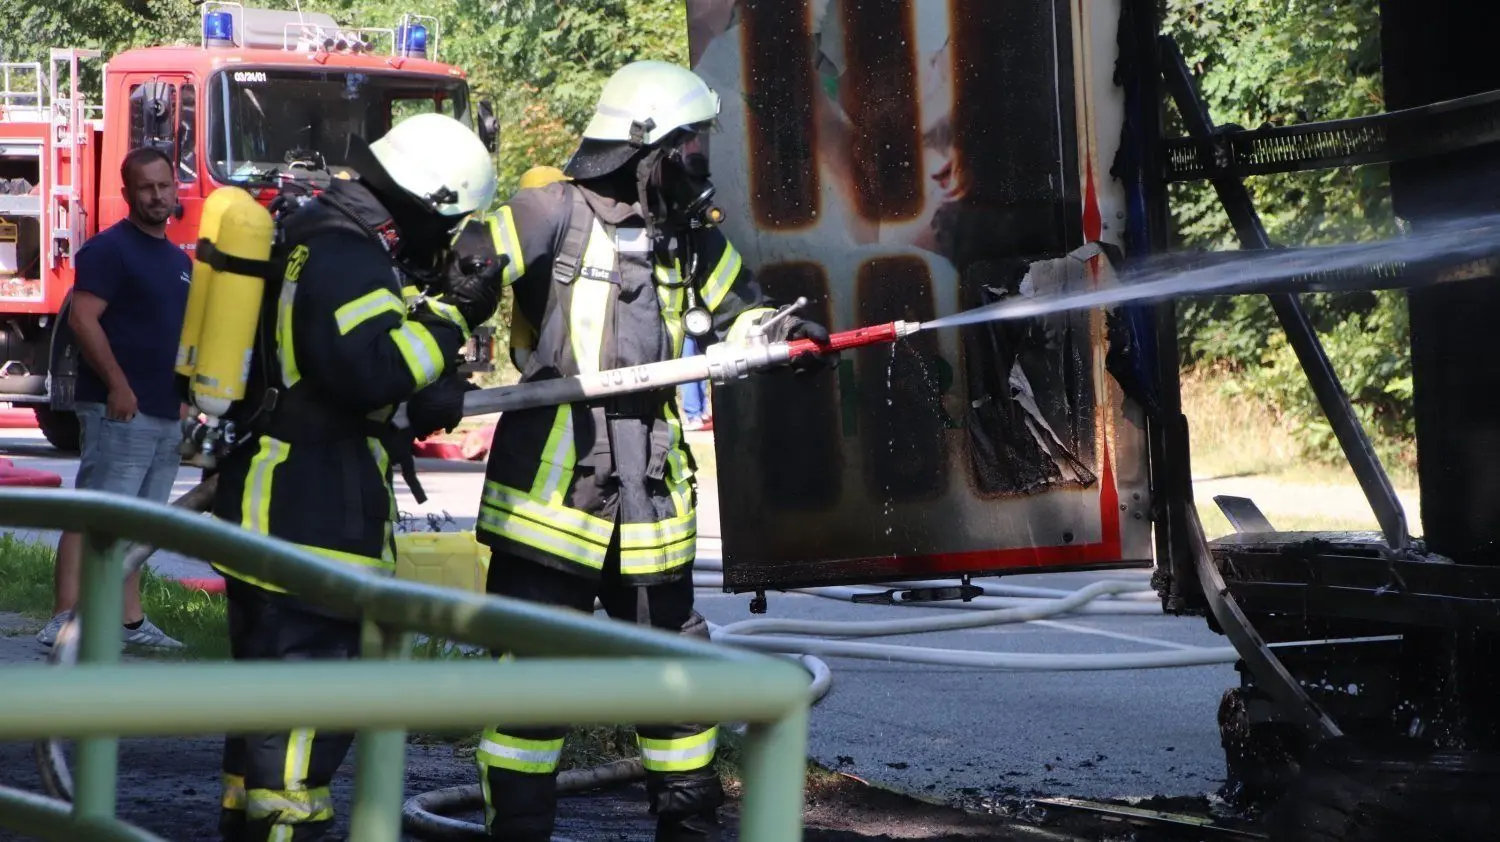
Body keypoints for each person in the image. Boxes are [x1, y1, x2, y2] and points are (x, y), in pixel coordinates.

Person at [456, 60, 836, 842]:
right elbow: (461, 272)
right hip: (551, 501)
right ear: (645, 145)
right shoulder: (547, 212)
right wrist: (450, 308)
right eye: (691, 143)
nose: (700, 159)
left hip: (649, 498)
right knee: (532, 684)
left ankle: (688, 831)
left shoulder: (689, 236)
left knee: (676, 683)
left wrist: (779, 335)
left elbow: (740, 309)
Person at [207, 112, 503, 842]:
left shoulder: (316, 235)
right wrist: (452, 319)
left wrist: (417, 388)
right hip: (312, 518)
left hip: (276, 506)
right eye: (449, 222)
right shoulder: (347, 256)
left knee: (265, 737)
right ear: (424, 201)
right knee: (302, 742)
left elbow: (336, 365)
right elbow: (366, 369)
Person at [36, 145, 191, 651]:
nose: (157, 195)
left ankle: (128, 622)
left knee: (142, 523)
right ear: (127, 193)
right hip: (118, 408)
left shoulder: (178, 260)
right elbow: (83, 320)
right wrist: (119, 385)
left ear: (174, 187)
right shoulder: (108, 250)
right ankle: (62, 618)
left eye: (164, 185)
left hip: (165, 410)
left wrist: (185, 397)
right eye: (146, 187)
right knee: (97, 513)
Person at [677, 333, 712, 431]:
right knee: (699, 364)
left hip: (684, 326)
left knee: (687, 365)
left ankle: (694, 417)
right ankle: (702, 414)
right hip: (698, 324)